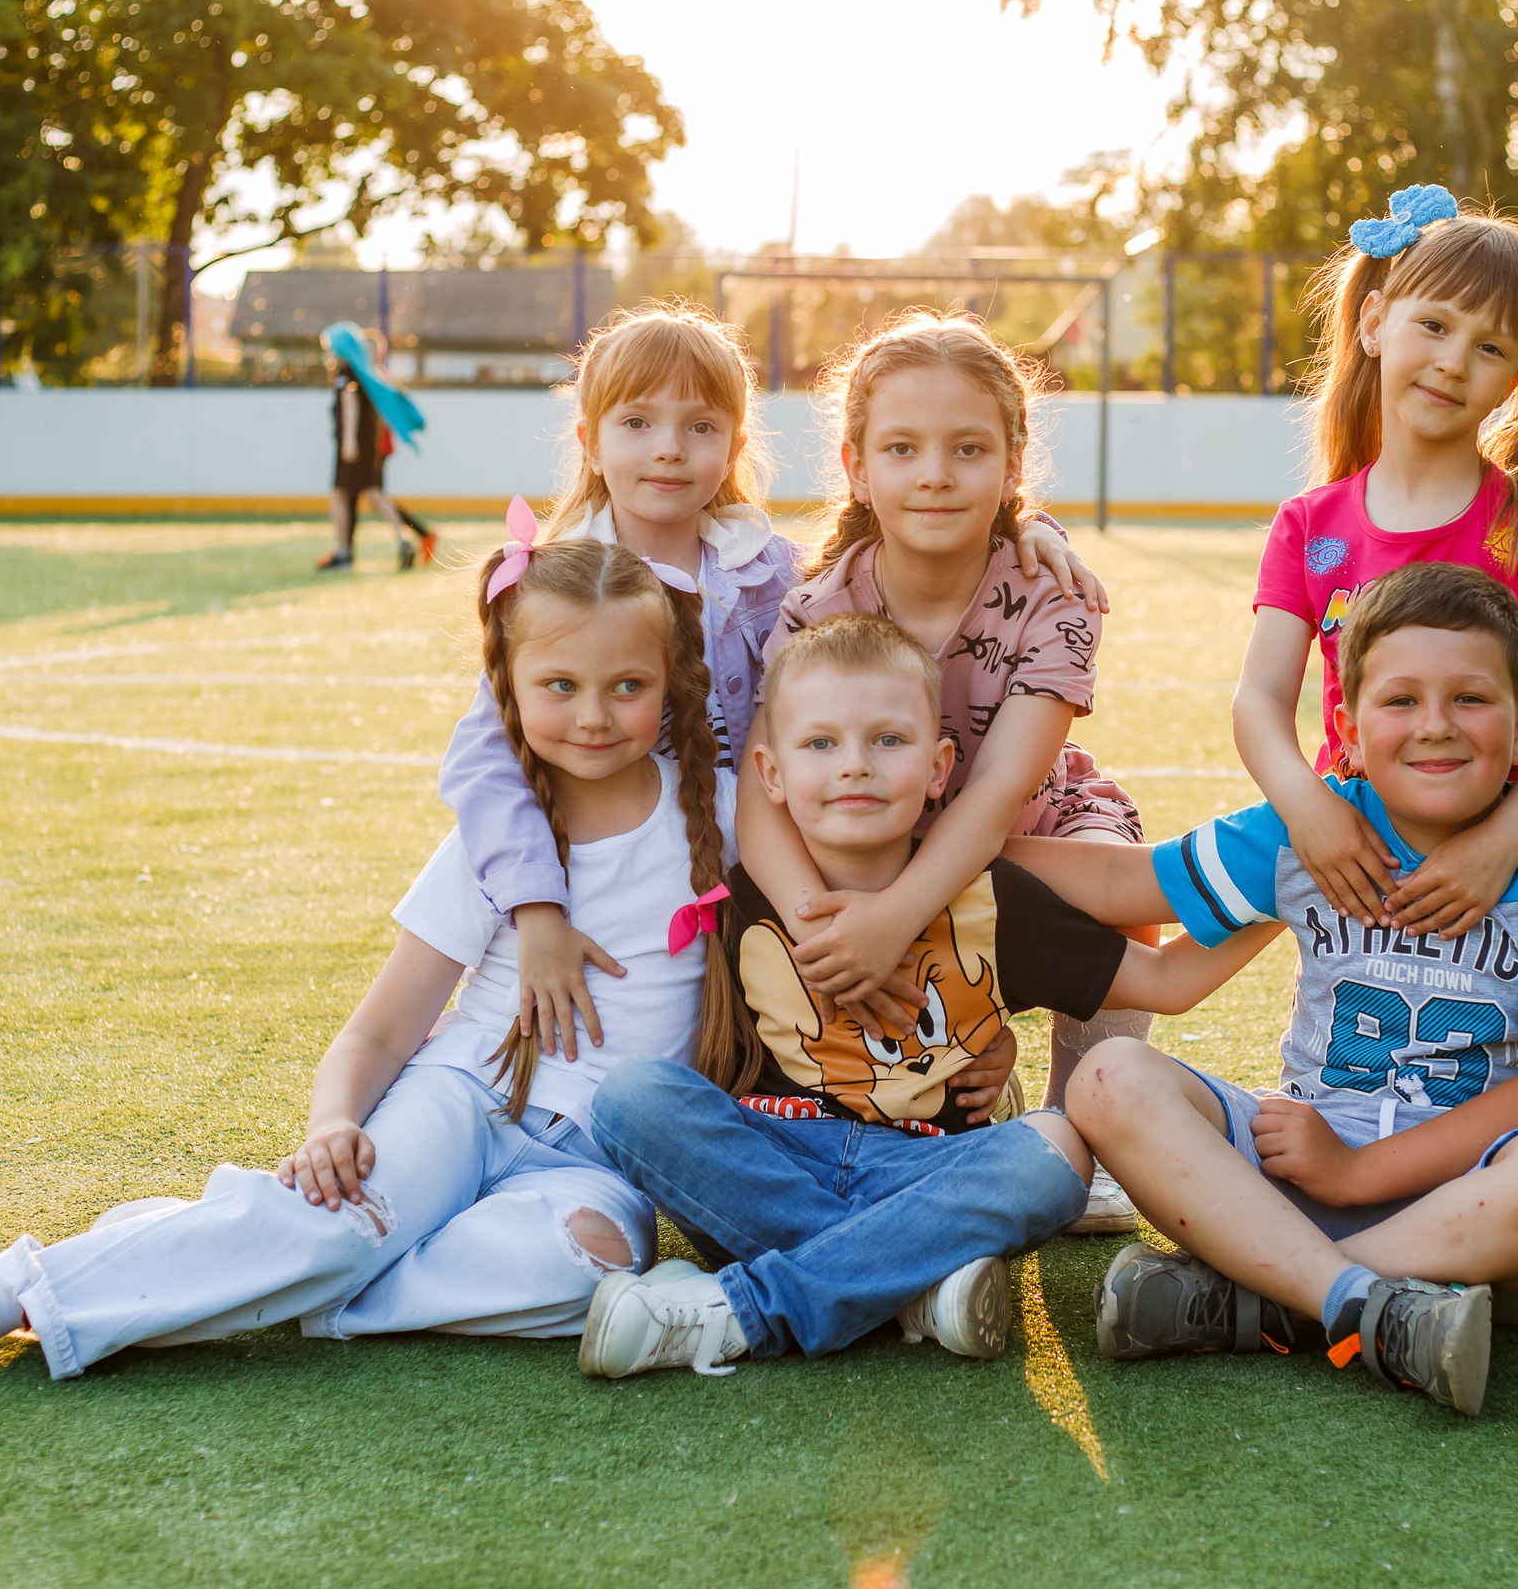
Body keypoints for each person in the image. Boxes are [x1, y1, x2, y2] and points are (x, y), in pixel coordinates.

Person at [0, 539, 732, 1385]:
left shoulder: (717, 812)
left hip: (598, 1162)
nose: (595, 715)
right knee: (344, 1224)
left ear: (671, 685)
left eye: (627, 686)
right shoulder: (500, 843)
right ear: (511, 690)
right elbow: (381, 1028)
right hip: (468, 1101)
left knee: (589, 1272)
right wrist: (333, 1123)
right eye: (560, 685)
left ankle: (240, 1254)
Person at [570, 614, 1283, 1379]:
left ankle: (747, 1307)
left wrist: (1290, 886)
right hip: (775, 1161)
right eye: (820, 744)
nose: (855, 767)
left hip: (931, 1168)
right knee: (631, 1098)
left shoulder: (993, 898)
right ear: (771, 775)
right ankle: (909, 1280)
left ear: (941, 767)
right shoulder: (749, 890)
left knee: (1055, 1155)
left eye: (888, 740)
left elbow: (1167, 982)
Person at [1009, 564, 1518, 1418]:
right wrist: (938, 842)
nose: (1435, 728)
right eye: (1401, 701)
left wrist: (1359, 1173)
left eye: (1470, 700)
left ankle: (1266, 1300)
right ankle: (1366, 1307)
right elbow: (1126, 887)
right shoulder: (1310, 830)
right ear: (1344, 725)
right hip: (1290, 1178)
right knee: (1109, 1077)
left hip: (1477, 1219)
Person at [436, 303, 1103, 1076]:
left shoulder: (772, 576)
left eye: (700, 427)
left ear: (734, 445)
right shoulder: (557, 590)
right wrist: (536, 907)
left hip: (808, 838)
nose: (669, 451)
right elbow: (492, 758)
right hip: (674, 850)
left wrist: (1032, 526)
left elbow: (925, 520)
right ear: (589, 440)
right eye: (638, 423)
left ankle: (1002, 1080)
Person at [735, 310, 1149, 1236]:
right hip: (872, 837)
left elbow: (1001, 787)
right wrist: (828, 930)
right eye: (903, 448)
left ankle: (1089, 1131)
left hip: (1019, 829)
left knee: (1127, 889)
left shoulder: (1056, 599)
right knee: (756, 898)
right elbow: (757, 804)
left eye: (967, 449)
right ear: (855, 466)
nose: (933, 473)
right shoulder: (818, 607)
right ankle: (921, 1093)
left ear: (1011, 465)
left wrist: (898, 917)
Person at [1236, 186, 1518, 949]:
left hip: (1502, 877)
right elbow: (1258, 702)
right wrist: (1311, 811)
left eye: (1489, 347)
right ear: (1375, 323)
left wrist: (1497, 846)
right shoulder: (1310, 528)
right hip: (1354, 861)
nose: (1451, 362)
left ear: (1513, 382)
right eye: (1435, 325)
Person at [319, 320, 437, 572]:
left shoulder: (347, 374)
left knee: (344, 495)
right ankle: (400, 542)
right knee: (371, 494)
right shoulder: (366, 375)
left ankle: (344, 553)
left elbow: (350, 403)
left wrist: (349, 441)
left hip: (354, 446)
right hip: (368, 446)